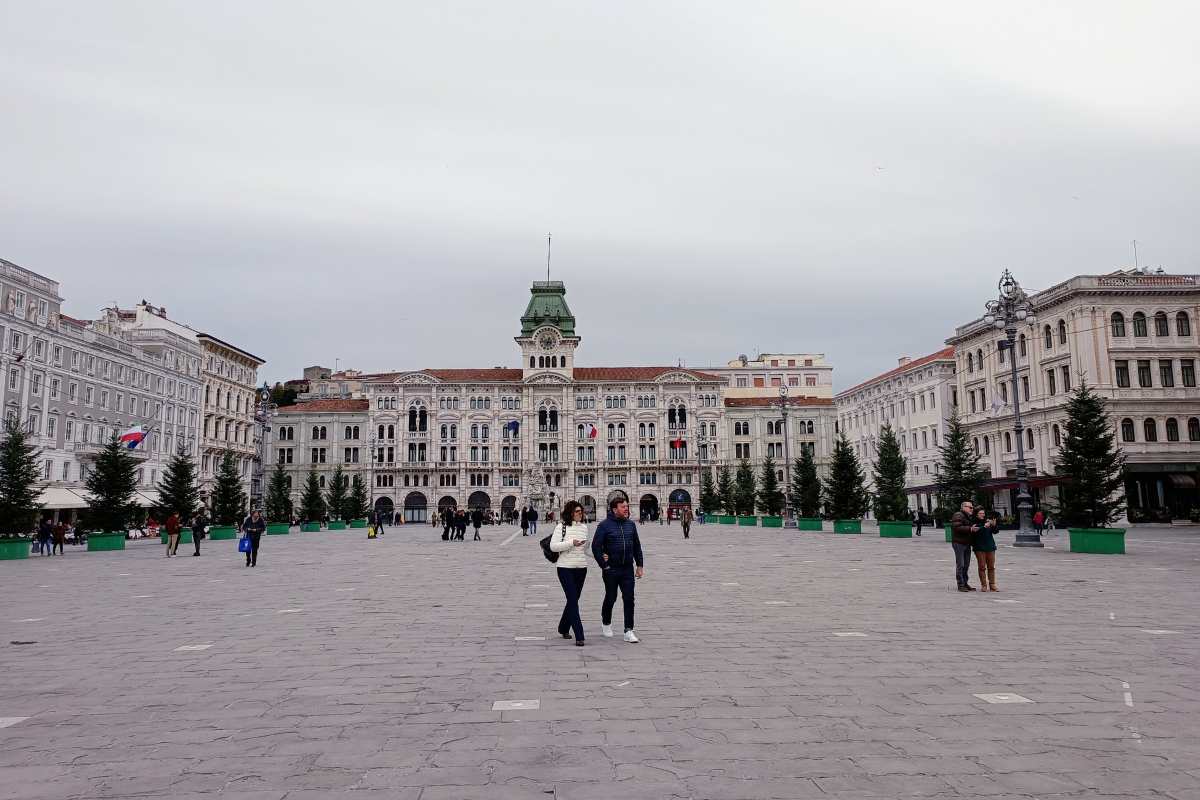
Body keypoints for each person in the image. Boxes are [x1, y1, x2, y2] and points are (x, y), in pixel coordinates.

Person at [591, 496, 645, 643]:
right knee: (611, 597)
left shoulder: (630, 525)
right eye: (623, 507)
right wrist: (604, 564)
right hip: (611, 569)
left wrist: (639, 565)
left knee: (629, 598)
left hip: (627, 568)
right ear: (615, 509)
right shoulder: (604, 526)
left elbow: (636, 546)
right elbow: (595, 547)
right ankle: (606, 621)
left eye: (627, 506)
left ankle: (628, 630)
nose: (626, 509)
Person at [550, 500, 590, 646]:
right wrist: (571, 543)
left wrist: (602, 555)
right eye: (577, 512)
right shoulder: (561, 527)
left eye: (581, 511)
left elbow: (585, 549)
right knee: (573, 600)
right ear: (570, 513)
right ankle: (579, 635)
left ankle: (563, 627)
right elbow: (553, 547)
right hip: (565, 568)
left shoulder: (584, 527)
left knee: (573, 600)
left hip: (581, 568)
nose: (580, 514)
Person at [949, 500, 979, 592]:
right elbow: (956, 527)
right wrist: (970, 528)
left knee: (966, 564)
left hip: (966, 543)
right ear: (963, 507)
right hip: (959, 543)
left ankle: (965, 583)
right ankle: (960, 584)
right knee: (961, 564)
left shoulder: (967, 516)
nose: (972, 509)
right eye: (970, 507)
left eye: (972, 507)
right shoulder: (958, 515)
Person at [974, 509, 999, 592]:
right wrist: (984, 527)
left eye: (983, 513)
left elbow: (995, 532)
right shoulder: (974, 522)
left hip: (990, 547)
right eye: (980, 513)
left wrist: (994, 525)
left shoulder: (988, 521)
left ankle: (992, 584)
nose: (982, 514)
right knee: (982, 567)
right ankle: (984, 585)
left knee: (991, 567)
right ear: (977, 515)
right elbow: (975, 532)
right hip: (979, 548)